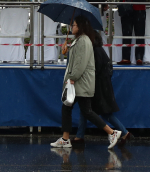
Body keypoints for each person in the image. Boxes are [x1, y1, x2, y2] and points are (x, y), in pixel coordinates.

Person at [51, 15, 122, 150]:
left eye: (74, 25)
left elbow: (80, 63)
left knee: (83, 111)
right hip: (79, 83)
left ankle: (112, 133)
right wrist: (66, 51)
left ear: (81, 27)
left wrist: (72, 77)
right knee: (73, 109)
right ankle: (66, 139)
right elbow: (76, 59)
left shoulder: (83, 41)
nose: (72, 27)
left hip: (80, 83)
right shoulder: (80, 40)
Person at [73, 33, 131, 148]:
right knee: (90, 111)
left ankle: (123, 132)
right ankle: (79, 136)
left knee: (91, 111)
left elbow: (95, 70)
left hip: (97, 87)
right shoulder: (100, 50)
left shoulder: (95, 52)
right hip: (102, 86)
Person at [115, 0, 148, 65]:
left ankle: (139, 57)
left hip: (139, 8)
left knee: (139, 33)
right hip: (126, 9)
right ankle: (126, 58)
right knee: (127, 33)